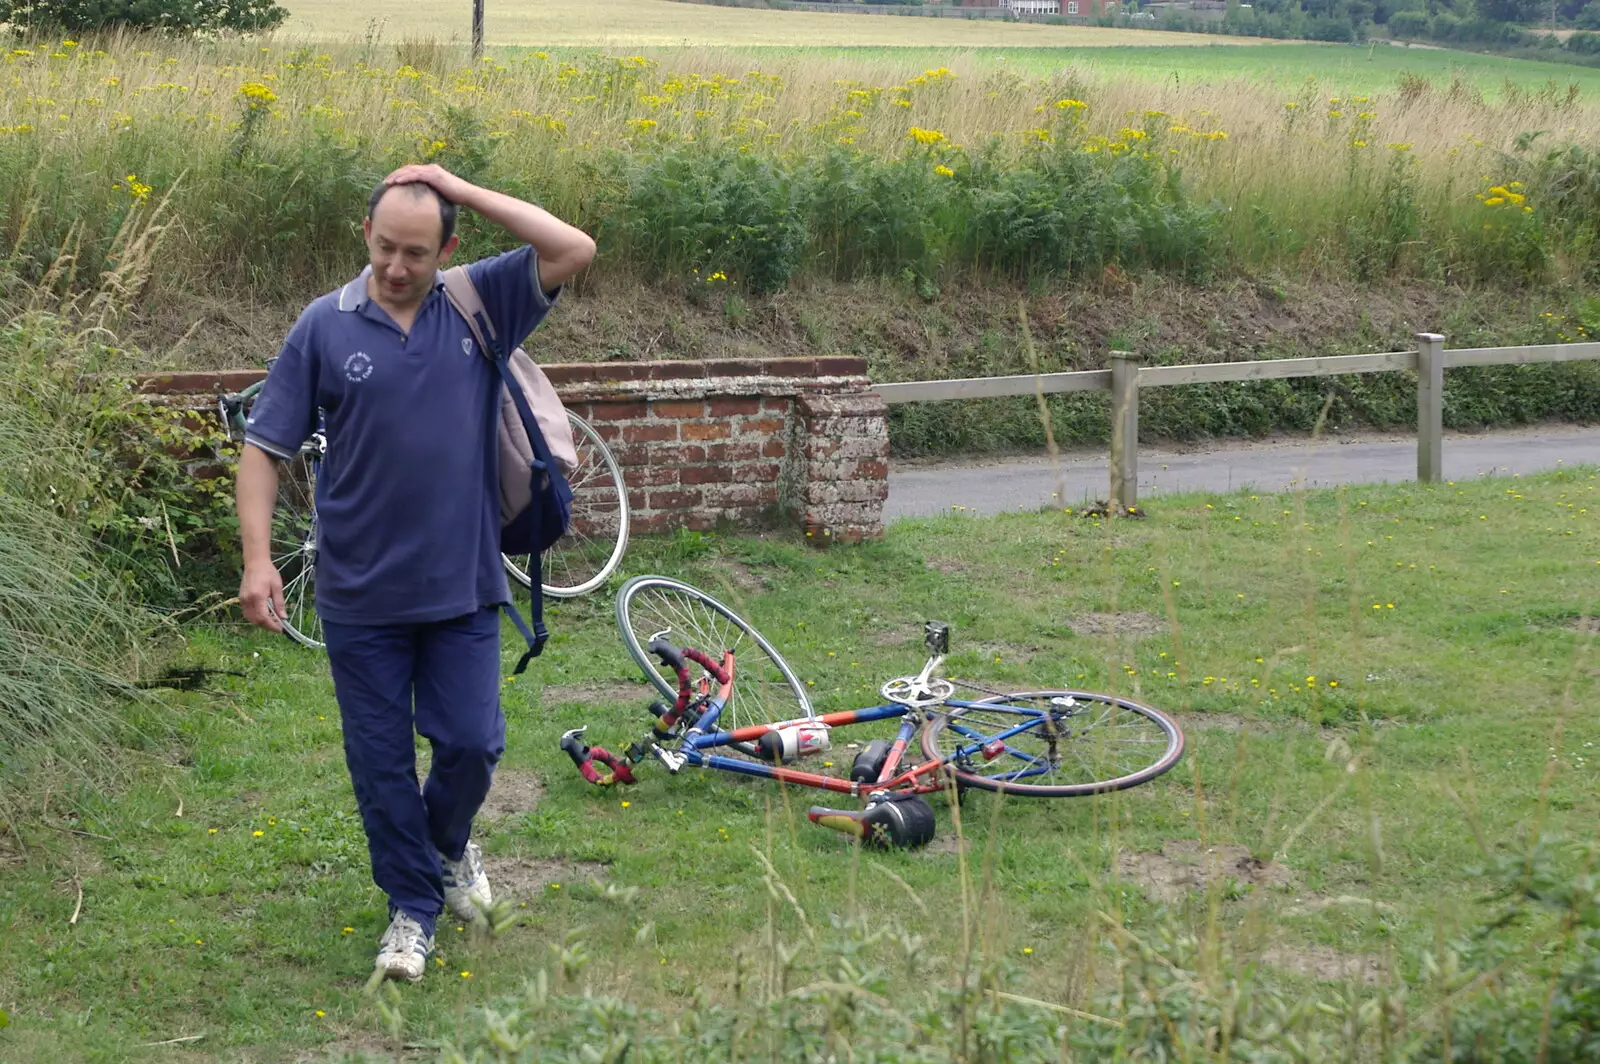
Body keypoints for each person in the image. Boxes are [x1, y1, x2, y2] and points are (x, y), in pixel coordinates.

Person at [234, 164, 596, 983]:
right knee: (380, 763)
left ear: (449, 247)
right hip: (359, 596)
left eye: (418, 252)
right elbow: (264, 451)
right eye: (386, 247)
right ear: (366, 236)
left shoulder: (479, 302)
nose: (398, 267)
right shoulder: (323, 327)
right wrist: (259, 561)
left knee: (472, 742)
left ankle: (447, 845)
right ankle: (411, 908)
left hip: (463, 584)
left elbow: (573, 247)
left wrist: (457, 186)